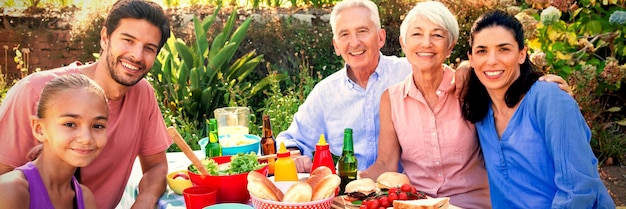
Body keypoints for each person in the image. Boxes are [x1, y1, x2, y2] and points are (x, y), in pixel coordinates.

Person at [0, 0, 173, 208]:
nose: (136, 55)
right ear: (104, 37)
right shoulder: (35, 92)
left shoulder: (143, 94)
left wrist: (144, 201)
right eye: (128, 40)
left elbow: (156, 166)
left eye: (149, 48)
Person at [461, 10, 615, 208]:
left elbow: (578, 188)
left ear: (522, 54)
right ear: (472, 58)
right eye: (482, 51)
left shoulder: (549, 99)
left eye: (504, 49)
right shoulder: (480, 111)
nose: (492, 60)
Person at [358, 2, 490, 208]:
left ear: (451, 45)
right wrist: (350, 180)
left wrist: (543, 82)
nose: (426, 43)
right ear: (403, 44)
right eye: (417, 34)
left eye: (437, 35)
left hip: (470, 203)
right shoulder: (391, 99)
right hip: (418, 203)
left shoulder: (468, 87)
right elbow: (386, 163)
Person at [0, 74, 107, 209]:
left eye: (97, 126)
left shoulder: (86, 199)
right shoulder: (10, 191)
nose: (86, 138)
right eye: (70, 124)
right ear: (39, 129)